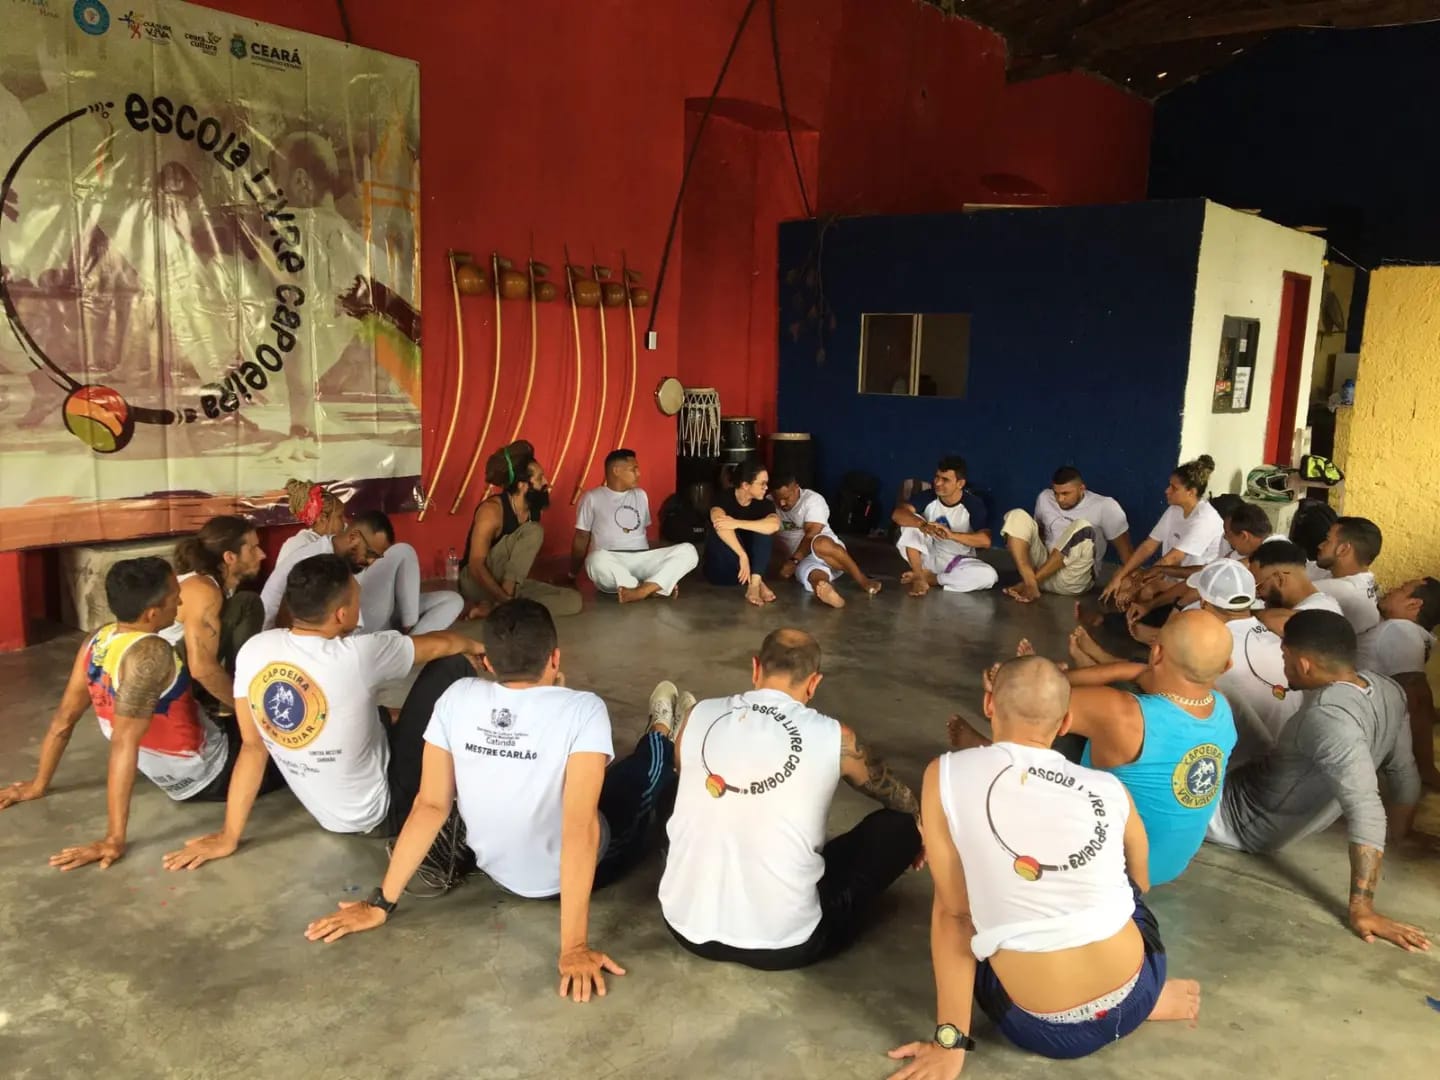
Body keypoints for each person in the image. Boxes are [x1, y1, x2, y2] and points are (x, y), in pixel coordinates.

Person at [302, 600, 679, 1005]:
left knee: (580, 781)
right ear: (555, 658)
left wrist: (381, 904)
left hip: (496, 869)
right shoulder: (583, 708)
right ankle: (662, 729)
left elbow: (430, 806)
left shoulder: (456, 697)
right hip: (566, 874)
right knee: (647, 773)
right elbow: (579, 826)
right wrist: (573, 947)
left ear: (488, 663)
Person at [886, 657, 1199, 1077]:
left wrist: (949, 1043)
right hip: (1139, 987)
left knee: (959, 902)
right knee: (1119, 886)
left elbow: (956, 917)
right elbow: (1139, 872)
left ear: (989, 705)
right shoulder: (1108, 788)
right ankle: (1138, 1008)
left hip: (1043, 1030)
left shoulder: (943, 774)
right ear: (1067, 721)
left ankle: (962, 1038)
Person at [160, 554, 484, 872]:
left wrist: (228, 836)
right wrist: (479, 648)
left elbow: (253, 747)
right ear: (341, 614)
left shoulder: (255, 650)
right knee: (452, 665)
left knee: (355, 706)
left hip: (329, 814)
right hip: (384, 811)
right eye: (357, 599)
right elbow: (443, 643)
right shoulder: (361, 653)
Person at [659, 629, 923, 969]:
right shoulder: (837, 737)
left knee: (682, 787)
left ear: (755, 668)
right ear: (813, 683)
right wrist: (921, 829)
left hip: (684, 925)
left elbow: (684, 770)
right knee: (903, 825)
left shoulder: (698, 714)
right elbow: (897, 797)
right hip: (785, 946)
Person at [0, 558, 283, 870]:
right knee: (294, 733)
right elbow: (124, 743)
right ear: (151, 613)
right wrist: (113, 839)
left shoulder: (97, 640)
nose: (180, 601)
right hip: (213, 773)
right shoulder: (153, 654)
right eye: (174, 596)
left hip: (191, 753)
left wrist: (38, 783)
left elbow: (64, 720)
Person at [953, 611, 1237, 886]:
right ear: (1226, 666)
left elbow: (1031, 703)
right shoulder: (1222, 708)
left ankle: (991, 751)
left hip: (1108, 868)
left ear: (1156, 653)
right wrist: (1060, 678)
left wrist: (1019, 681)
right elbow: (1141, 672)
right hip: (1166, 864)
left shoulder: (1122, 714)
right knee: (1090, 730)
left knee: (1044, 721)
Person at [1207, 611, 1429, 953]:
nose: (1284, 665)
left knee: (1150, 738)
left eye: (1285, 657)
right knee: (1220, 691)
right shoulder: (1389, 690)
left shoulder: (1328, 719)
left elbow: (1366, 808)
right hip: (1267, 779)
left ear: (1304, 664)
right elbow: (1404, 773)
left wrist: (1362, 909)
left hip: (1236, 819)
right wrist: (1399, 840)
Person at [459, 439, 582, 619]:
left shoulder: (533, 510)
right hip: (475, 582)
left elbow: (518, 566)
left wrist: (509, 596)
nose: (546, 482)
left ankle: (496, 608)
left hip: (506, 584)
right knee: (534, 530)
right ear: (522, 485)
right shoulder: (492, 511)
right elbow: (476, 566)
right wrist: (505, 598)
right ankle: (507, 604)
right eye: (539, 478)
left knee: (573, 601)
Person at [160, 515, 268, 714]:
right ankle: (227, 699)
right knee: (247, 604)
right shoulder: (204, 590)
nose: (262, 555)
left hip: (178, 668)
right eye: (253, 548)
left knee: (243, 603)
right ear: (229, 557)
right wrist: (248, 712)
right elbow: (201, 667)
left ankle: (229, 694)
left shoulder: (217, 583)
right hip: (164, 680)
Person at [570, 448, 698, 603]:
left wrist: (662, 557)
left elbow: (641, 532)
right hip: (611, 559)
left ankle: (641, 591)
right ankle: (654, 586)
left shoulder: (641, 495)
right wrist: (572, 574)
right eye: (633, 469)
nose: (639, 474)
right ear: (616, 471)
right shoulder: (592, 497)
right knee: (594, 560)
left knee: (689, 551)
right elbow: (582, 537)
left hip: (642, 559)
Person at [1101, 455, 1223, 611]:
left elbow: (1171, 559)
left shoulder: (1205, 518)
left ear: (1191, 492)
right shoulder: (1174, 510)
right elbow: (1148, 546)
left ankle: (1140, 619)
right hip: (1169, 575)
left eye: (1174, 488)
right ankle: (1128, 618)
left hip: (1193, 584)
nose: (1167, 491)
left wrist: (1136, 586)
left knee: (1146, 590)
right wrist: (1119, 578)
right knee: (1123, 577)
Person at [1000, 466, 1133, 602]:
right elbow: (1038, 535)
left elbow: (1127, 555)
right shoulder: (1044, 497)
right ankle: (1029, 581)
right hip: (1040, 569)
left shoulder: (1106, 506)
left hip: (1071, 580)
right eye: (1056, 493)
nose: (1060, 499)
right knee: (1016, 515)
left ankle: (1030, 584)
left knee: (1082, 526)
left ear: (1082, 489)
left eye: (1065, 493)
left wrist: (1124, 580)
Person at [1358, 577, 1440, 790]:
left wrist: (1426, 769)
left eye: (1402, 589)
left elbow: (1416, 698)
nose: (1392, 589)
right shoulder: (1415, 635)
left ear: (1414, 604)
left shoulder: (1400, 630)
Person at [260, 510, 387, 629]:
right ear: (353, 538)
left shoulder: (345, 559)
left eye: (377, 557)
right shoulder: (313, 561)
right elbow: (288, 623)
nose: (371, 561)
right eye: (370, 553)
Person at [893, 455, 998, 597]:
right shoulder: (928, 496)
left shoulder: (973, 505)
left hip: (956, 561)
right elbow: (898, 514)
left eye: (945, 480)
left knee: (989, 576)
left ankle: (932, 579)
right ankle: (918, 575)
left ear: (960, 483)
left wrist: (951, 535)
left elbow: (985, 541)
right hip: (927, 556)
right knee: (911, 521)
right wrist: (922, 524)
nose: (938, 483)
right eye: (937, 477)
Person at [771, 472, 881, 607]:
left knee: (820, 543)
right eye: (777, 498)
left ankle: (862, 580)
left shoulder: (812, 500)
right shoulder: (768, 503)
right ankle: (829, 593)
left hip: (828, 552)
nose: (782, 503)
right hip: (801, 560)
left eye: (786, 498)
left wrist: (793, 561)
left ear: (796, 488)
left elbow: (811, 535)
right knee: (814, 576)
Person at [352, 512, 466, 635]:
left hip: (385, 616)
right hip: (359, 621)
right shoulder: (342, 550)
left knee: (454, 600)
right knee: (404, 550)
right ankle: (409, 626)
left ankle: (412, 642)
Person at [702, 458, 783, 606]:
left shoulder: (765, 504)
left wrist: (737, 523)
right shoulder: (723, 498)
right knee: (722, 531)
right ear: (746, 485)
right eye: (762, 484)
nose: (766, 488)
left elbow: (774, 525)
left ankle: (754, 585)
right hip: (722, 569)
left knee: (763, 531)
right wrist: (742, 554)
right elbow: (719, 522)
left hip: (749, 569)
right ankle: (758, 582)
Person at [1249, 540, 1345, 632]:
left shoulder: (1323, 606)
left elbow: (1283, 622)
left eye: (1258, 586)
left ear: (1280, 579)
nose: (1257, 594)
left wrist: (1245, 613)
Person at [1311, 517, 1383, 634]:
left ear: (1343, 549)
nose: (1320, 545)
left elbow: (1285, 588)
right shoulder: (1362, 580)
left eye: (1327, 540)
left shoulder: (1346, 590)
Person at [277, 479, 347, 564]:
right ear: (322, 519)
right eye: (340, 516)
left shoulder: (325, 541)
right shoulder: (301, 545)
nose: (345, 521)